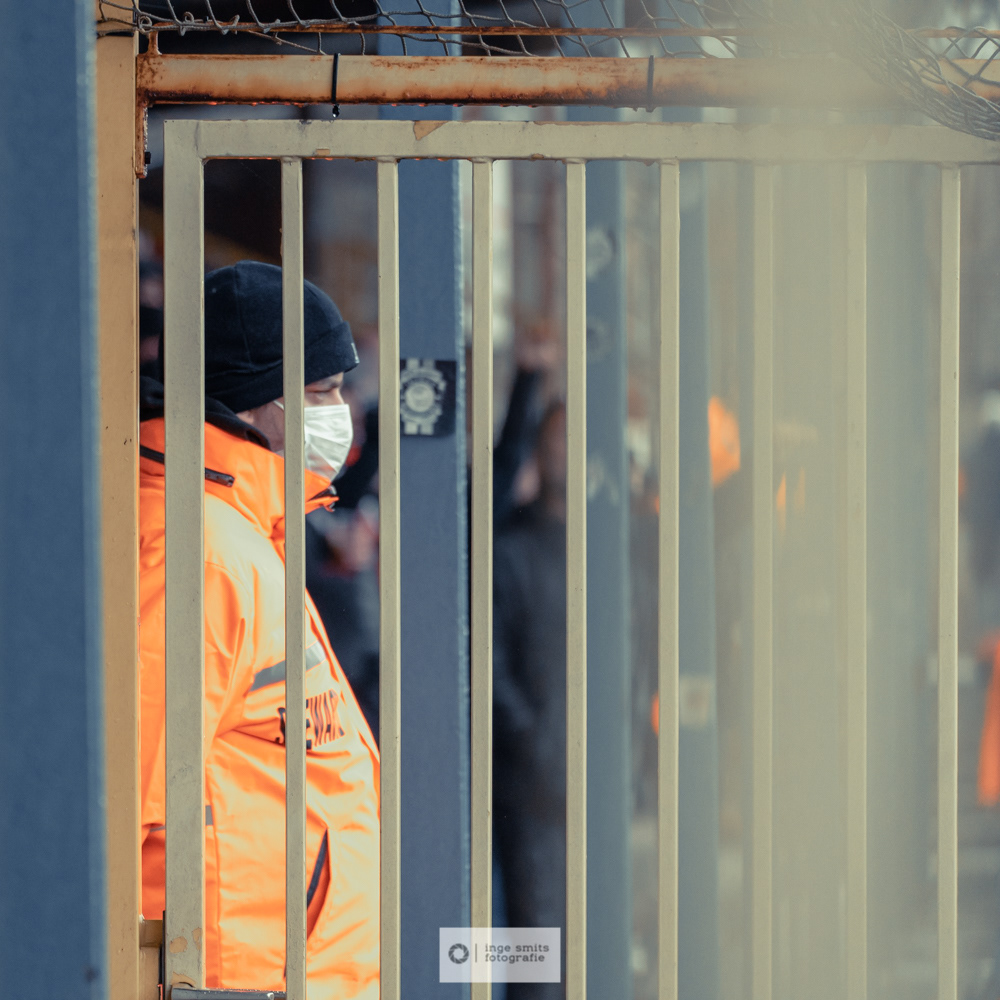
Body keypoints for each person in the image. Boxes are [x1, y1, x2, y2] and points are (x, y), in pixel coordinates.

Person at [138, 261, 379, 998]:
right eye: (323, 391)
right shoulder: (199, 554)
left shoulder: (240, 534)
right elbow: (117, 809)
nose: (342, 412)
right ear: (258, 402)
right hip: (240, 979)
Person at [492, 401, 568, 1000]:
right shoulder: (511, 548)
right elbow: (492, 668)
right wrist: (539, 745)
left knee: (596, 939)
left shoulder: (622, 549)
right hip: (533, 788)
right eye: (560, 437)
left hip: (604, 782)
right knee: (535, 950)